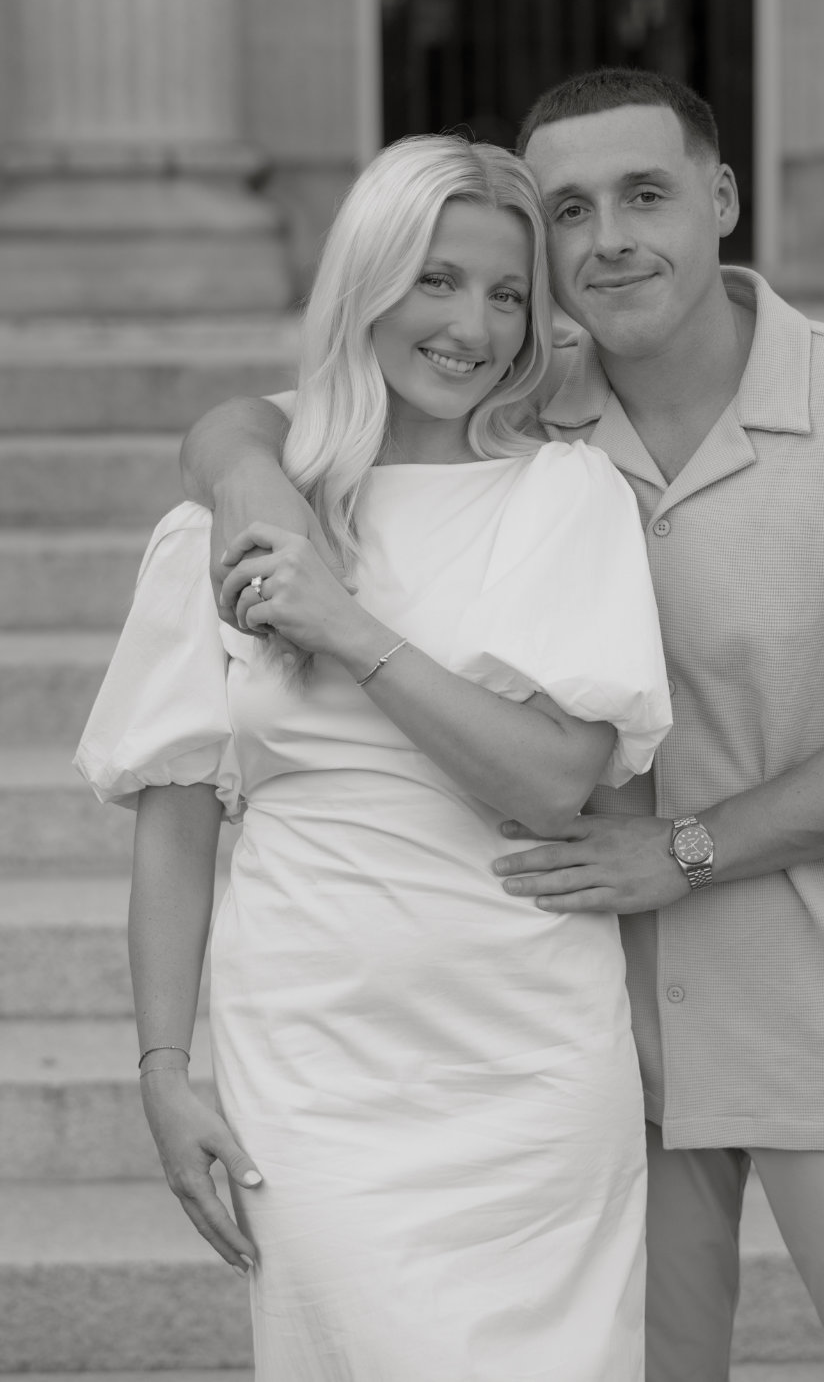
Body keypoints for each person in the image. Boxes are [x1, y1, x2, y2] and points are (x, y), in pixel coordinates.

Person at [181, 70, 824, 1382]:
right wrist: (242, 466)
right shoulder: (523, 409)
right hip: (618, 1054)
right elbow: (275, 414)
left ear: (720, 198)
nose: (607, 238)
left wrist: (684, 847)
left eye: (644, 194)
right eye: (567, 211)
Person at [76, 134, 674, 1382]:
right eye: (437, 280)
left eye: (509, 293)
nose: (475, 326)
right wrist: (160, 1070)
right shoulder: (229, 518)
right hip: (314, 1065)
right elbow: (177, 821)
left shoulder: (563, 495)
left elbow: (554, 777)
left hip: (531, 1062)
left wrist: (345, 625)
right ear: (365, 284)